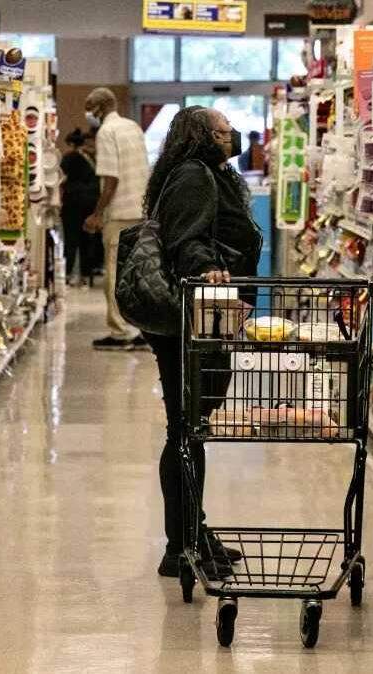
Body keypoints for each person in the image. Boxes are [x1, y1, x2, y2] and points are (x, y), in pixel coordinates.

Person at [144, 106, 262, 579]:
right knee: (185, 430)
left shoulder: (209, 172)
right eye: (222, 130)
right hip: (189, 318)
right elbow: (185, 241)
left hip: (204, 314)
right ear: (201, 137)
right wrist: (206, 271)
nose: (231, 135)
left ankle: (194, 530)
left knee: (191, 427)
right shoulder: (192, 175)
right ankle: (180, 545)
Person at [83, 87, 150, 351]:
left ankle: (121, 333)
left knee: (114, 274)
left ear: (100, 107)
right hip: (140, 212)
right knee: (136, 275)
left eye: (89, 107)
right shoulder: (132, 127)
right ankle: (141, 328)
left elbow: (111, 179)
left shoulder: (106, 132)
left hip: (120, 213)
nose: (88, 113)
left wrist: (97, 214)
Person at [60, 128, 103, 286]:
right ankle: (85, 275)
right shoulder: (92, 159)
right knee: (86, 241)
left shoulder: (69, 158)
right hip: (89, 205)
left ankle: (67, 274)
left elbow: (61, 177)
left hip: (72, 203)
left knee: (71, 241)